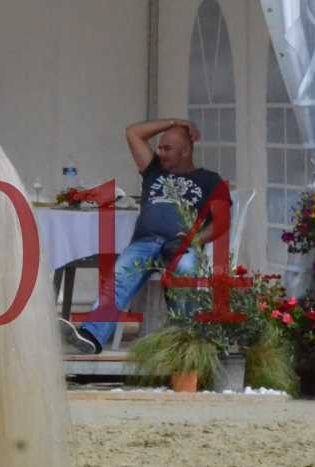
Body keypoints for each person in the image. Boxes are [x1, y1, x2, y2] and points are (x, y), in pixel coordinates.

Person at [63, 117, 230, 355]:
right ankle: (92, 335)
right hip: (145, 243)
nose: (160, 152)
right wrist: (175, 122)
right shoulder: (154, 170)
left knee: (185, 269)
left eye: (167, 148)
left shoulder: (210, 180)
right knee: (121, 274)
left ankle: (184, 340)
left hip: (183, 246)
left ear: (185, 151)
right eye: (159, 147)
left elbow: (222, 223)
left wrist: (191, 241)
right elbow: (133, 132)